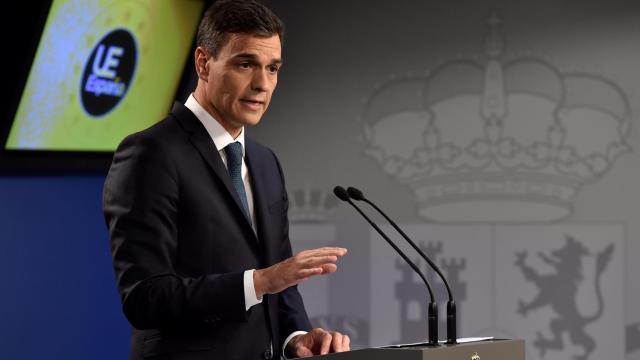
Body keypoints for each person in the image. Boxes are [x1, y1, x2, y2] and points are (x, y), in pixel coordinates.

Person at [103, 1, 350, 359]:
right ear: (204, 63)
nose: (262, 84)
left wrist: (294, 336)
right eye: (245, 64)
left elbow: (280, 276)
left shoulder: (265, 162)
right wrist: (260, 281)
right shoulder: (150, 154)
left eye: (273, 68)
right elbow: (145, 298)